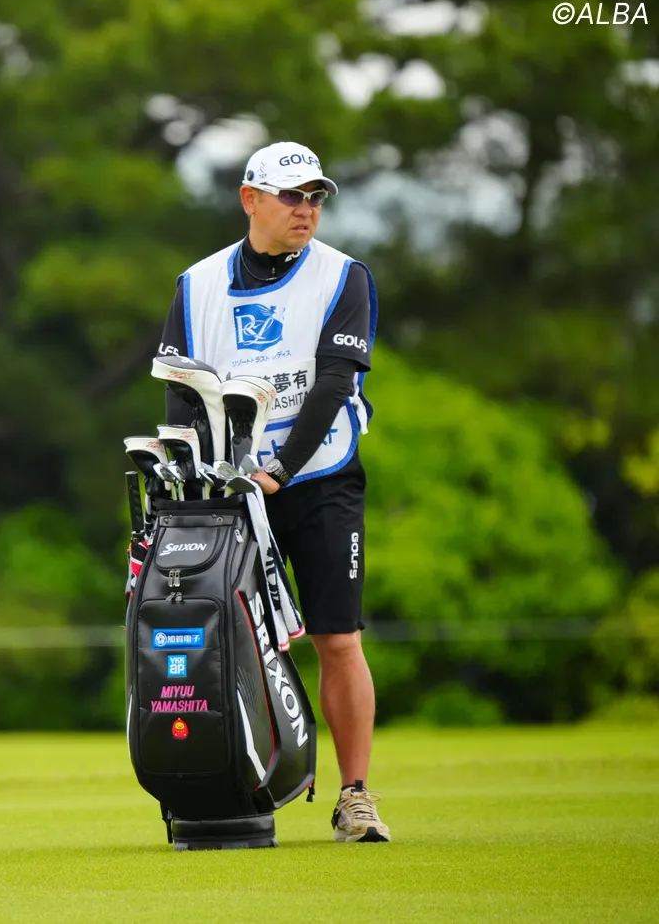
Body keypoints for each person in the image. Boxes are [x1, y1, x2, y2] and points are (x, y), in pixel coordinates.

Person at [158, 141, 390, 843]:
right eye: (292, 196)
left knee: (337, 638)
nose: (306, 209)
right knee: (226, 639)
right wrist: (196, 479)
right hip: (232, 492)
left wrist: (280, 469)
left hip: (318, 479)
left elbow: (333, 383)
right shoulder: (197, 284)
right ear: (250, 199)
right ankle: (228, 786)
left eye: (315, 197)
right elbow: (181, 395)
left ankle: (354, 796)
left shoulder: (343, 276)